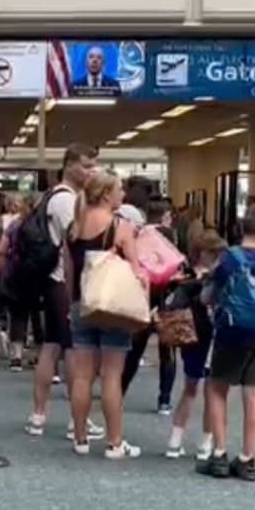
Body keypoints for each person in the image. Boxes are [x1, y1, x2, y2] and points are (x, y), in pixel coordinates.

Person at [197, 207, 255, 481]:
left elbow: (207, 296)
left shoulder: (228, 258)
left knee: (217, 389)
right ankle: (247, 458)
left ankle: (219, 454)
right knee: (254, 395)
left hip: (229, 330)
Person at [24, 144, 104, 442]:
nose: (91, 171)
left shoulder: (53, 196)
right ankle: (76, 419)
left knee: (52, 345)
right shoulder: (66, 200)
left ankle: (38, 415)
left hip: (52, 279)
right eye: (86, 165)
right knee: (74, 350)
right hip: (62, 280)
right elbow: (81, 238)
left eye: (93, 165)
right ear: (69, 165)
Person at [66, 171, 145, 458]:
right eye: (119, 189)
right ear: (106, 195)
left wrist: (71, 305)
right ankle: (114, 442)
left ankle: (80, 438)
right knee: (112, 375)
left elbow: (69, 272)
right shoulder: (120, 227)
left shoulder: (74, 227)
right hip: (112, 307)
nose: (123, 194)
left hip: (82, 304)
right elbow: (136, 271)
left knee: (82, 376)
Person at [164, 230, 224, 459]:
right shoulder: (217, 277)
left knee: (189, 388)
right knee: (212, 392)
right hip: (212, 336)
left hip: (189, 335)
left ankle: (175, 440)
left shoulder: (183, 276)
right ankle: (205, 443)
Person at [122, 199, 178, 414]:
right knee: (168, 352)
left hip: (143, 297)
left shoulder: (139, 234)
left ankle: (119, 391)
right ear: (166, 216)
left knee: (134, 350)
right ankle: (164, 399)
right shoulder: (170, 235)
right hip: (168, 299)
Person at [0, 193, 27, 371]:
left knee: (15, 312)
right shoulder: (34, 222)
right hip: (36, 272)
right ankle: (41, 354)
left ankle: (16, 354)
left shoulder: (6, 223)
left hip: (12, 271)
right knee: (35, 315)